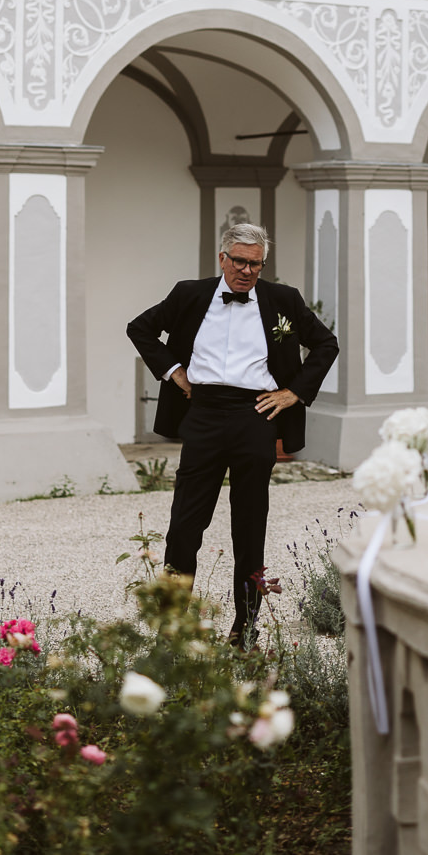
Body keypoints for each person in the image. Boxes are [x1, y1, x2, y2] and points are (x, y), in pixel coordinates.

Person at [127, 222, 338, 642]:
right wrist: (175, 373)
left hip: (254, 414)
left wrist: (293, 392)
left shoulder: (283, 300)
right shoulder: (189, 293)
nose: (246, 271)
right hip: (202, 411)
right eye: (238, 261)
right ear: (222, 258)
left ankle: (245, 627)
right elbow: (141, 328)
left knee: (249, 524)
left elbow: (325, 344)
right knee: (185, 523)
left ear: (263, 265)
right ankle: (174, 627)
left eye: (255, 265)